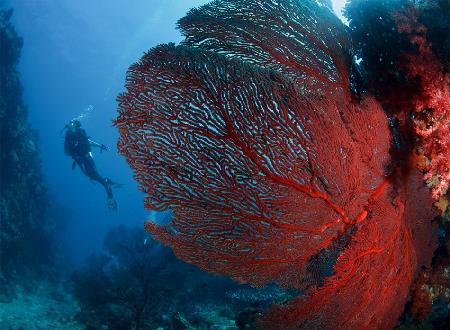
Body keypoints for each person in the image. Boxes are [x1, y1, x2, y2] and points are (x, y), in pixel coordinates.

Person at [64, 119, 119, 211]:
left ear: (76, 125)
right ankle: (106, 181)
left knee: (94, 175)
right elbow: (66, 152)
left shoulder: (81, 132)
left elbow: (89, 142)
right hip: (79, 158)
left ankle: (108, 191)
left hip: (87, 156)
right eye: (70, 125)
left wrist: (101, 146)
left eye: (72, 125)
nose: (71, 127)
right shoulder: (68, 135)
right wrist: (74, 153)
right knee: (91, 176)